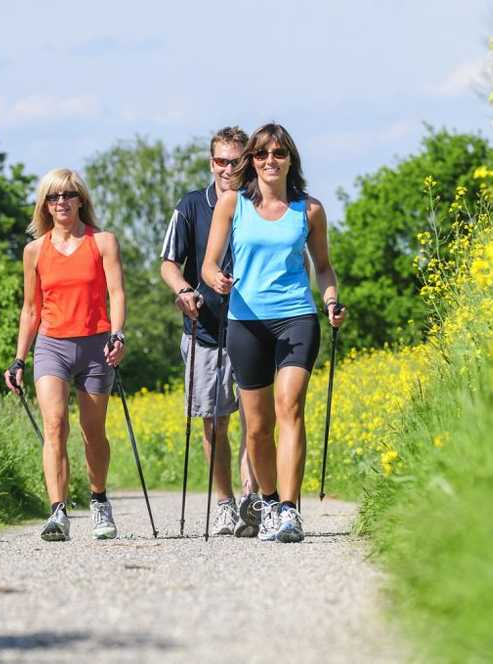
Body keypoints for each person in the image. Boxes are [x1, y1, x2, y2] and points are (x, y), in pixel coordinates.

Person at [202, 123, 348, 543]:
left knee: (291, 408)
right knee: (257, 428)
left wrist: (332, 302)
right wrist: (216, 280)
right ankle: (266, 500)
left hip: (297, 317)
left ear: (290, 160)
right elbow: (210, 263)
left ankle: (289, 510)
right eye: (262, 154)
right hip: (245, 322)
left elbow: (323, 268)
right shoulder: (232, 204)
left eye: (279, 153)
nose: (270, 161)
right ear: (252, 161)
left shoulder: (310, 210)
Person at [4, 168, 127, 542]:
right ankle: (57, 511)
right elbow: (30, 308)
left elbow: (117, 294)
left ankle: (99, 501)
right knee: (55, 425)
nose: (61, 202)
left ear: (80, 200)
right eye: (53, 197)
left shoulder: (103, 242)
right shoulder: (35, 251)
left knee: (93, 432)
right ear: (45, 204)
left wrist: (118, 335)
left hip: (95, 345)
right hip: (52, 345)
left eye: (68, 195)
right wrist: (19, 359)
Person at [160, 126, 262, 537]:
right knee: (214, 421)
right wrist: (184, 290)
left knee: (257, 420)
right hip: (205, 328)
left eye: (235, 160)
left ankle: (253, 496)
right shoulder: (190, 205)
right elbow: (169, 262)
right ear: (211, 162)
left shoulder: (261, 203)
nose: (227, 168)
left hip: (256, 325)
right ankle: (224, 503)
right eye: (220, 160)